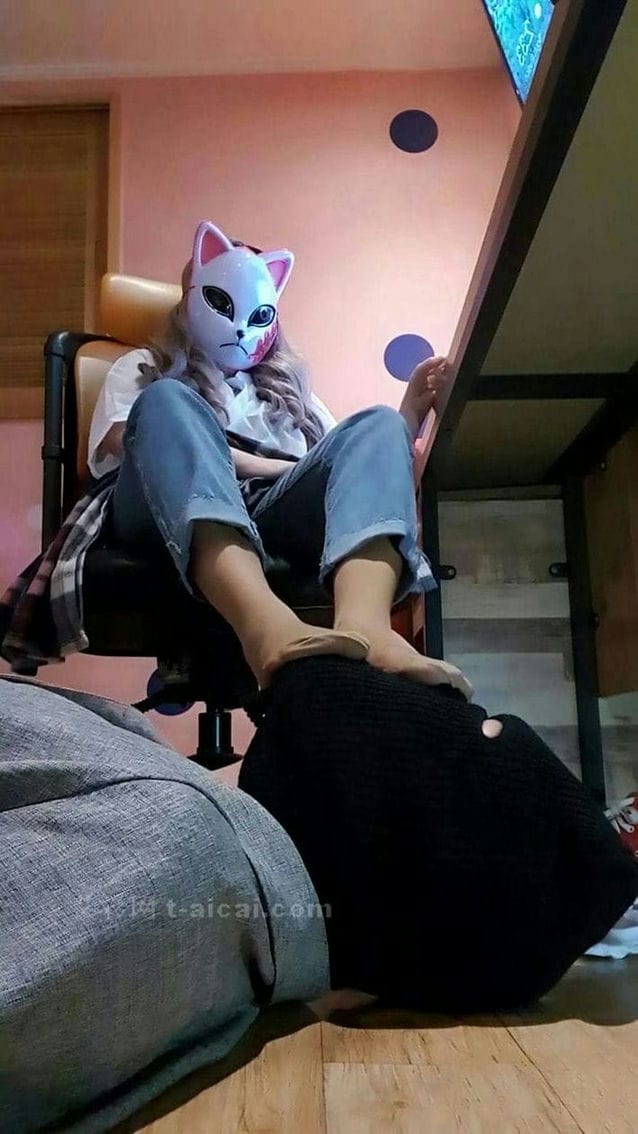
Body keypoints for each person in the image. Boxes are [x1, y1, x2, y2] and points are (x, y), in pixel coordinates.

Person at [87, 219, 472, 696]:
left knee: (377, 423)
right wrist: (271, 467)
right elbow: (124, 441)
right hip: (163, 507)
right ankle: (266, 627)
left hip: (275, 512)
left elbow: (350, 471)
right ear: (187, 300)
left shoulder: (292, 395)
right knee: (167, 401)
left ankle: (369, 630)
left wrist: (408, 415)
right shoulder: (144, 367)